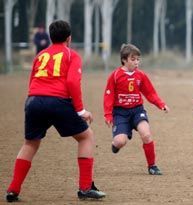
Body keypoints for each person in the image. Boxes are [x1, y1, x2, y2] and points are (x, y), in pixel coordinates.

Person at [5, 20, 106, 202]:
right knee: (86, 137)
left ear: (50, 37)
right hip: (57, 101)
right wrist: (81, 110)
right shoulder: (71, 55)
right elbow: (72, 83)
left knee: (30, 143)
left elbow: (32, 81)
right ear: (69, 38)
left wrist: (33, 102)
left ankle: (13, 189)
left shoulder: (41, 55)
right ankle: (85, 188)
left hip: (33, 100)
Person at [103, 43, 169, 175]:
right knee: (120, 141)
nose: (136, 62)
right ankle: (117, 143)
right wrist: (108, 115)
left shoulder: (141, 75)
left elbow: (150, 93)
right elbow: (108, 96)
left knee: (146, 134)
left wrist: (161, 104)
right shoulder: (115, 76)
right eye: (133, 59)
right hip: (120, 113)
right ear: (124, 60)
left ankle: (152, 166)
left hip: (137, 111)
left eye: (138, 59)